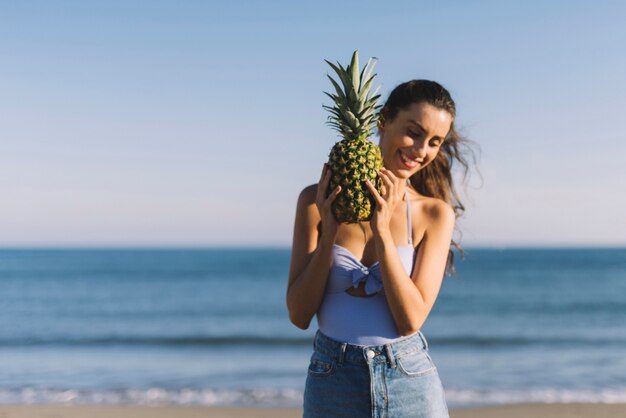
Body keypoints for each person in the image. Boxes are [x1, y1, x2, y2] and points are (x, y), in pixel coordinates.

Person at [287, 79, 474, 418]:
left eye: (434, 142)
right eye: (413, 132)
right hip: (332, 379)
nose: (421, 150)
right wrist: (328, 234)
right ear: (383, 120)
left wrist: (383, 233)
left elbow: (409, 320)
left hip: (408, 379)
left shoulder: (433, 214)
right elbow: (299, 315)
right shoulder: (314, 202)